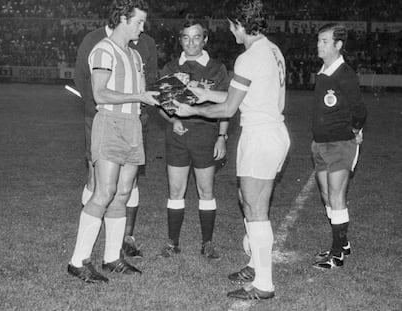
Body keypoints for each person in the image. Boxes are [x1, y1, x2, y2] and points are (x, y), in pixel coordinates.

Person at [175, 0, 290, 300]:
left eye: (231, 24)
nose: (229, 29)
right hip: (271, 134)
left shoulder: (249, 56)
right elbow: (239, 91)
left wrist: (190, 111)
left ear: (241, 25)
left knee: (255, 208)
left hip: (261, 136)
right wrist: (204, 93)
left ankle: (264, 284)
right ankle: (255, 266)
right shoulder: (271, 49)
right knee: (248, 201)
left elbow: (228, 107)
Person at [67, 0, 159, 283]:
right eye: (138, 22)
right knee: (104, 193)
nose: (142, 29)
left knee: (122, 193)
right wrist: (138, 98)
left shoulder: (134, 55)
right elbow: (100, 94)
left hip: (132, 125)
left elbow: (143, 92)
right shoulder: (104, 50)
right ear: (122, 18)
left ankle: (112, 258)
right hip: (110, 125)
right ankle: (77, 261)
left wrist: (167, 92)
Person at [157, 18, 230, 260]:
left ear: (205, 39)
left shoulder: (217, 68)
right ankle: (172, 243)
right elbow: (161, 106)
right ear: (180, 40)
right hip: (177, 137)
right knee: (176, 190)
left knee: (205, 190)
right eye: (186, 37)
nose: (191, 42)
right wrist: (173, 120)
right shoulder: (169, 68)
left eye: (196, 37)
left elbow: (228, 106)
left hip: (206, 135)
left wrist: (222, 136)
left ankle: (207, 243)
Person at [311, 23, 367, 269]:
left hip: (340, 144)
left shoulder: (345, 74)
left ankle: (337, 255)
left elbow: (360, 111)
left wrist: (354, 131)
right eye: (319, 40)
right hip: (320, 144)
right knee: (326, 195)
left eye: (325, 41)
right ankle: (342, 243)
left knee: (336, 196)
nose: (319, 45)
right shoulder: (323, 70)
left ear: (338, 45)